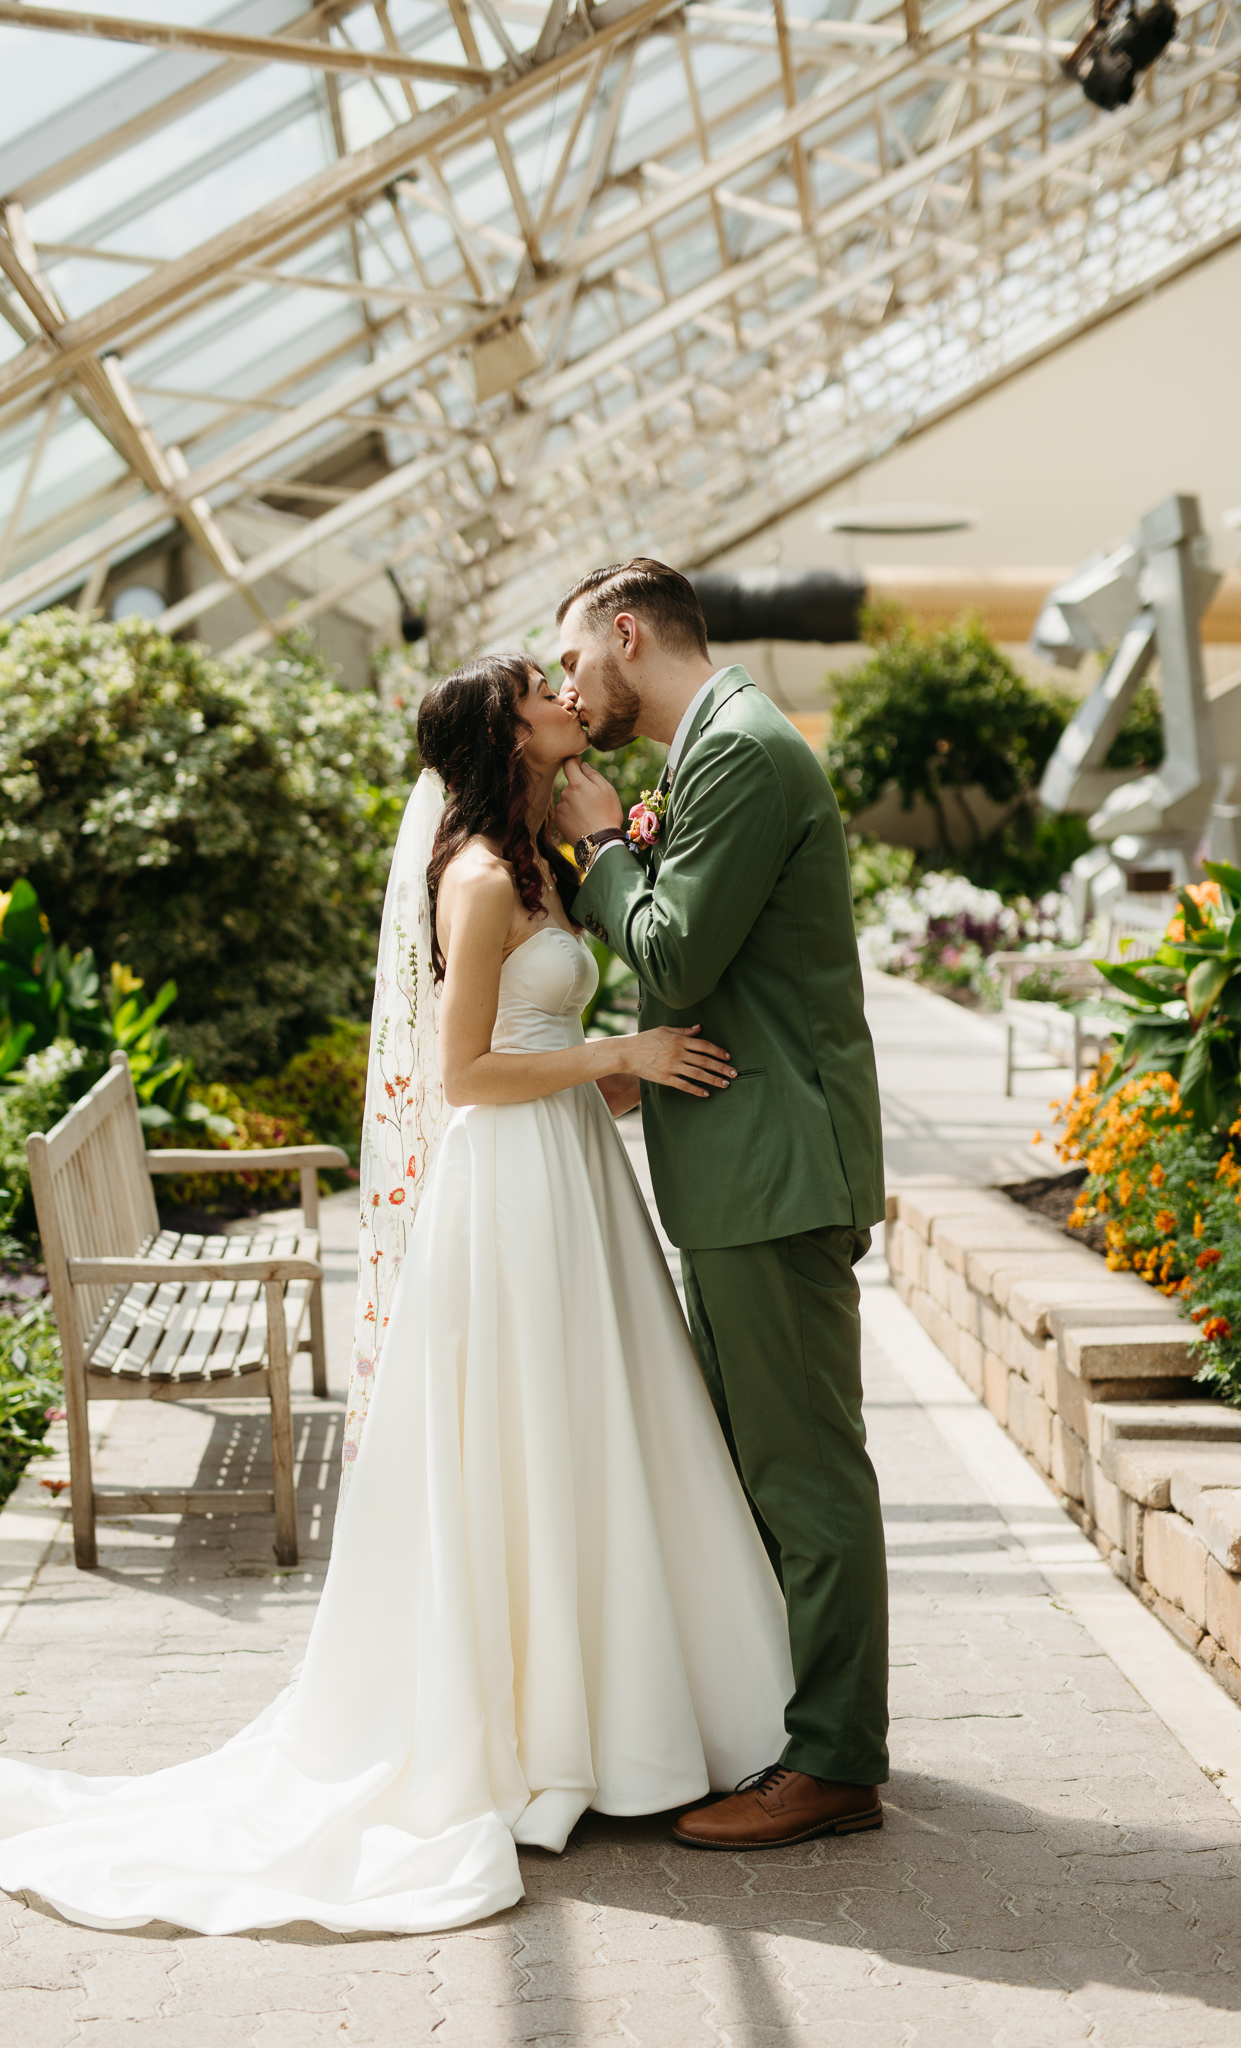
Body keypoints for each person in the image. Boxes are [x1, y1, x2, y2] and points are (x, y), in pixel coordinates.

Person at [0, 652, 793, 1938]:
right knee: (528, 1437)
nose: (561, 697)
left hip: (570, 1176)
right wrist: (615, 1050)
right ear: (500, 734)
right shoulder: (472, 876)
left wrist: (598, 1072)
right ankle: (539, 1733)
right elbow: (464, 1072)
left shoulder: (536, 859)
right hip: (510, 1192)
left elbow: (529, 1039)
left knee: (595, 1432)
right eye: (538, 692)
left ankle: (628, 1717)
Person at [551, 558, 890, 1852]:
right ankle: (786, 1729)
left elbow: (679, 947)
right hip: (740, 1162)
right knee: (761, 1467)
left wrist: (593, 845)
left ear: (628, 636)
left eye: (575, 660)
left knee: (803, 1474)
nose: (572, 690)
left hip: (772, 1167)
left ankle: (835, 1760)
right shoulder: (715, 748)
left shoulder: (739, 749)